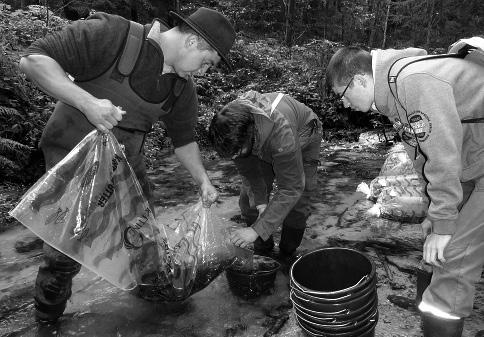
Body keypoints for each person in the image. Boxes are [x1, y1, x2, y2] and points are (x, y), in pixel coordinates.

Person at [19, 7, 235, 323]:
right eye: (207, 63)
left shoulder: (181, 89)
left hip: (126, 164)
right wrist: (87, 102)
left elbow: (184, 140)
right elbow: (33, 60)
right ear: (192, 42)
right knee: (66, 248)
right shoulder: (113, 34)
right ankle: (47, 316)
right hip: (73, 160)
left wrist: (203, 180)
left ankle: (159, 305)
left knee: (145, 236)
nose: (204, 72)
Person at [325, 46, 484, 337]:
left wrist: (444, 223)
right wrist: (435, 214)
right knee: (436, 240)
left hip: (476, 163)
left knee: (454, 258)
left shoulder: (414, 81)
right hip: (474, 158)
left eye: (342, 94)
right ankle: (428, 308)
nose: (344, 104)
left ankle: (440, 312)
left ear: (360, 80)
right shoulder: (395, 94)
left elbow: (443, 157)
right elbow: (423, 157)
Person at [208, 90, 322, 263]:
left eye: (236, 153)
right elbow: (250, 171)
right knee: (249, 202)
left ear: (248, 138)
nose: (234, 159)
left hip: (303, 132)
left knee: (298, 203)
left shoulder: (282, 136)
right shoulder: (230, 123)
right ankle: (264, 250)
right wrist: (261, 205)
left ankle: (286, 253)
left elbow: (291, 188)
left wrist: (255, 230)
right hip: (260, 138)